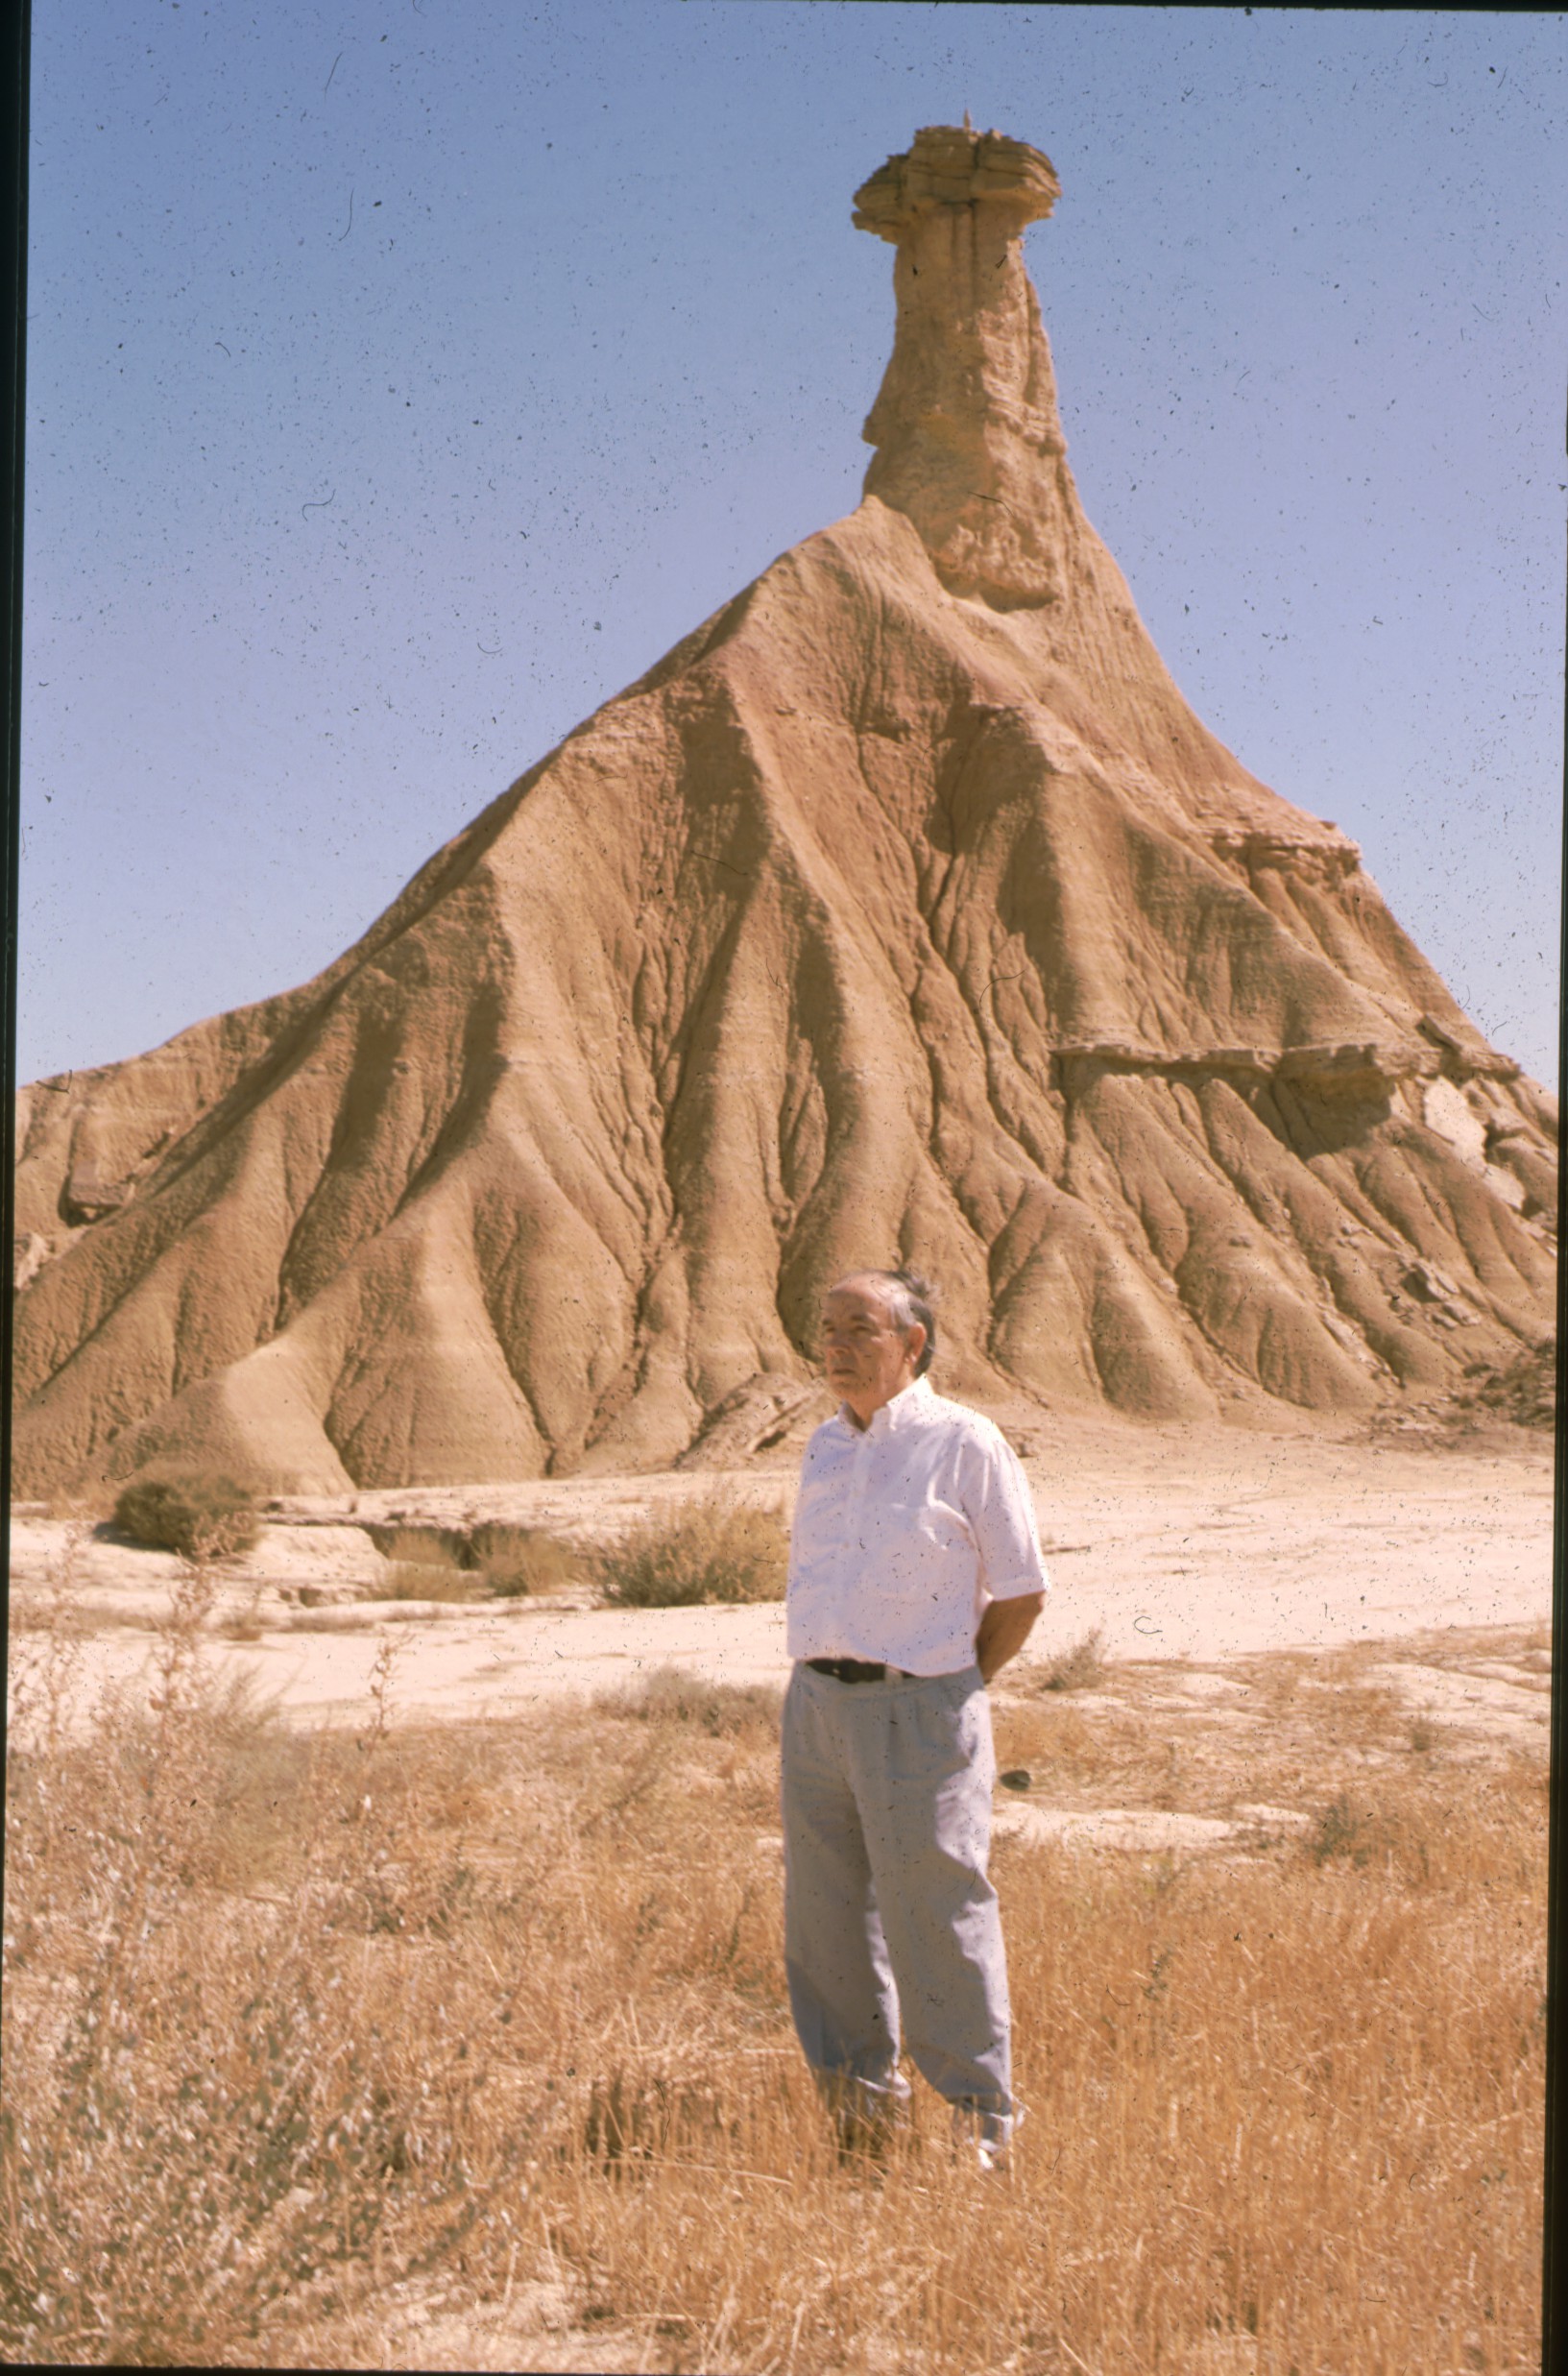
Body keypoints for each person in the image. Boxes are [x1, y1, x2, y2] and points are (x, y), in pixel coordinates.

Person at [781, 1266, 1049, 2172]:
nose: (839, 1347)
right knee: (825, 1923)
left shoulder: (964, 1443)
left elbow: (1021, 1593)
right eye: (828, 1331)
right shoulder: (824, 1445)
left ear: (912, 1342)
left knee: (935, 1912)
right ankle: (859, 2118)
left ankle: (979, 2124)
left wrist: (948, 1687)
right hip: (814, 1705)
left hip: (919, 1707)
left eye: (860, 1328)